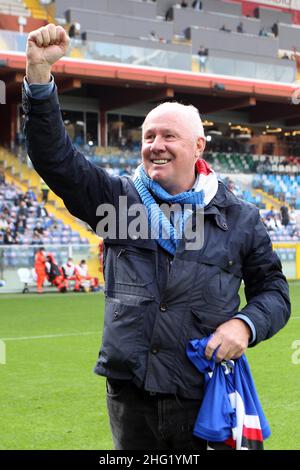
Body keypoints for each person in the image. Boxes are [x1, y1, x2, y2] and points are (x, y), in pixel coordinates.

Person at [23, 24, 290, 450]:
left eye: (169, 136)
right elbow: (56, 159)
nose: (156, 146)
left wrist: (245, 324)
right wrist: (39, 79)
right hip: (131, 398)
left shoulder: (240, 217)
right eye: (149, 137)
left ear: (199, 146)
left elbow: (275, 292)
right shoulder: (117, 202)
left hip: (202, 394)